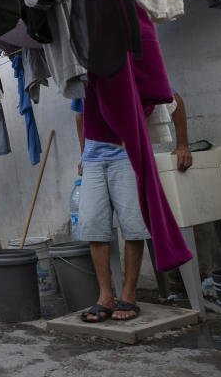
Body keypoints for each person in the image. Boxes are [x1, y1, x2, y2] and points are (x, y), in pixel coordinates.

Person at [73, 92, 191, 322]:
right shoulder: (86, 77)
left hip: (128, 155)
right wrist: (83, 155)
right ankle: (105, 296)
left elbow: (174, 99)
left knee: (133, 226)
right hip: (94, 161)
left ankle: (129, 295)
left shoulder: (127, 71)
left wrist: (183, 144)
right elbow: (80, 116)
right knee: (93, 226)